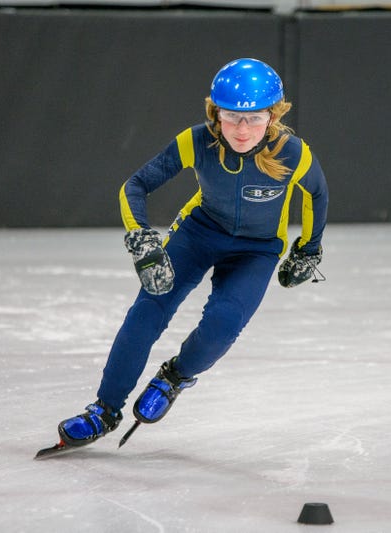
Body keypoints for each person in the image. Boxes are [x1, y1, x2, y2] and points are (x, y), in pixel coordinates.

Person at [56, 58, 328, 448]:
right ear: (216, 113)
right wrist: (142, 240)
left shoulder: (292, 153)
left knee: (223, 326)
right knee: (147, 313)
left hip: (256, 250)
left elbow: (317, 193)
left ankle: (175, 377)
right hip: (199, 233)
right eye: (231, 117)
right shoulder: (197, 141)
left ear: (273, 115)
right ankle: (104, 409)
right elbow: (135, 186)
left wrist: (309, 249)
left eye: (254, 119)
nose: (242, 130)